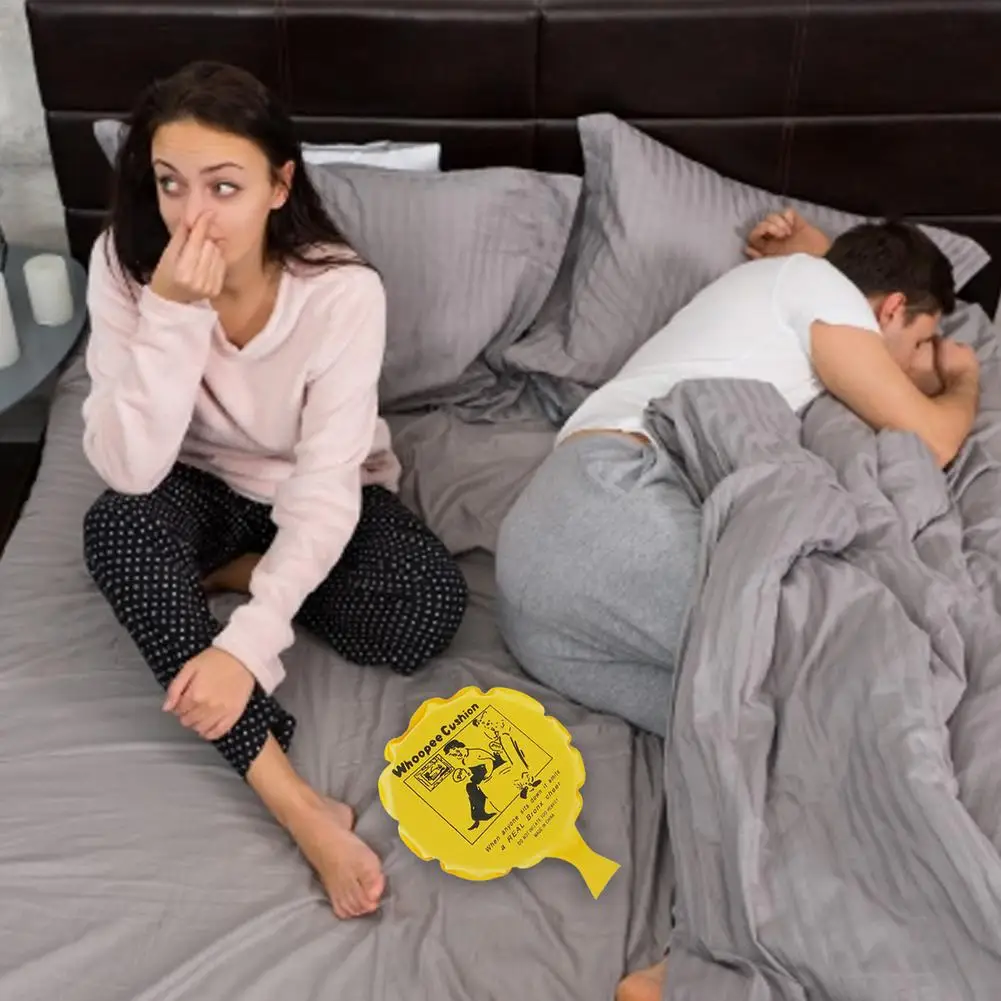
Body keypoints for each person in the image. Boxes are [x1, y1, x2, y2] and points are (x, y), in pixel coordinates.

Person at [494, 210, 978, 1001]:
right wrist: (962, 378)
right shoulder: (817, 288)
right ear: (892, 308)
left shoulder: (789, 286)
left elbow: (830, 295)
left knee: (776, 738)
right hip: (607, 505)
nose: (923, 362)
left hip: (552, 615)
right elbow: (931, 435)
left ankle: (693, 963)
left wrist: (820, 252)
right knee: (838, 677)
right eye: (923, 338)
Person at [80, 61, 469, 921]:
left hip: (307, 486)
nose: (193, 215)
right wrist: (172, 314)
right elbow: (129, 469)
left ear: (279, 186)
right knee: (115, 530)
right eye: (171, 183)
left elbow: (326, 489)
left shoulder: (341, 292)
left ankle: (230, 574)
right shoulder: (123, 264)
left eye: (224, 186)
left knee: (424, 611)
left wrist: (247, 645)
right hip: (191, 481)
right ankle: (293, 800)